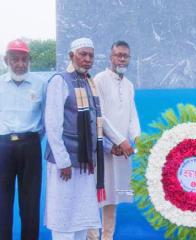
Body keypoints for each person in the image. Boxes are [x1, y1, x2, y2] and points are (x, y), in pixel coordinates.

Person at [44, 37, 134, 240]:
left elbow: (96, 120)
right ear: (71, 56)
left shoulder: (88, 82)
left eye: (90, 55)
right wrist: (63, 161)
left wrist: (113, 145)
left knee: (82, 219)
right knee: (64, 217)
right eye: (82, 54)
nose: (87, 59)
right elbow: (52, 125)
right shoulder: (60, 81)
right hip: (66, 165)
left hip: (85, 163)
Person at [87, 40, 141, 240]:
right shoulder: (99, 80)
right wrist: (116, 142)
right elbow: (99, 116)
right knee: (95, 195)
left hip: (122, 150)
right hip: (102, 148)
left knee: (113, 196)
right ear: (111, 57)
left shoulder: (129, 85)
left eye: (125, 55)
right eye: (118, 54)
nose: (121, 58)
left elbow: (131, 115)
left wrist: (136, 137)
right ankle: (92, 237)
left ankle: (107, 237)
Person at [0, 39, 46, 240]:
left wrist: (32, 138)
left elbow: (47, 119)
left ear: (29, 60)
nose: (20, 64)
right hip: (3, 148)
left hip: (30, 146)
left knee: (30, 204)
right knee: (2, 203)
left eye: (24, 59)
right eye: (15, 59)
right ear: (5, 60)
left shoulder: (41, 84)